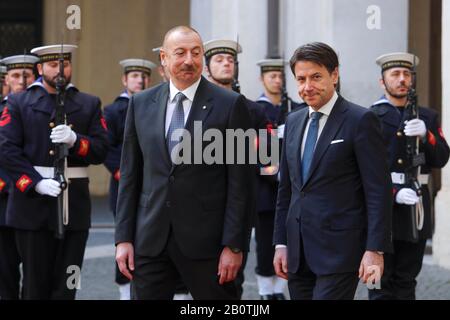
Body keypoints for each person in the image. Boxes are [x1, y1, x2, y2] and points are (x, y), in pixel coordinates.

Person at [115, 26, 254, 300]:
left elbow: (242, 183)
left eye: (196, 52)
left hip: (209, 244)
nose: (189, 60)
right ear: (164, 59)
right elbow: (131, 175)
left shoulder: (231, 105)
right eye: (180, 53)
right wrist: (123, 238)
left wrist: (234, 246)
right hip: (150, 239)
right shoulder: (141, 103)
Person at [273, 42, 393, 300]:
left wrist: (375, 249)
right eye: (301, 79)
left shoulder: (361, 120)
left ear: (334, 75)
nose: (307, 87)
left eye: (316, 77)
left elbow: (378, 191)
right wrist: (281, 243)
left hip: (340, 252)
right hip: (297, 252)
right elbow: (287, 190)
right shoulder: (293, 121)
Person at [0, 44, 108, 300]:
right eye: (52, 65)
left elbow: (102, 149)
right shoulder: (20, 102)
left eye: (65, 64)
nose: (60, 70)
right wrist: (35, 183)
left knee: (68, 283)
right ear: (40, 68)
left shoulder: (88, 103)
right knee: (35, 284)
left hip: (75, 206)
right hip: (32, 206)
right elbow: (6, 148)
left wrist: (76, 141)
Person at [369, 52, 450, 300]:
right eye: (395, 74)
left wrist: (427, 136)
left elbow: (441, 158)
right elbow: (366, 170)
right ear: (382, 82)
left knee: (406, 281)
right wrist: (393, 192)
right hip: (382, 208)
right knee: (379, 281)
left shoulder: (426, 116)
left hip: (416, 205)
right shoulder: (370, 117)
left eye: (406, 74)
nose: (402, 79)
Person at [203, 38, 267, 299]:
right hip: (202, 204)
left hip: (238, 203)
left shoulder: (254, 110)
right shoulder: (197, 107)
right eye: (219, 59)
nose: (227, 64)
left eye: (231, 60)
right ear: (207, 68)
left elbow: (268, 159)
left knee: (230, 283)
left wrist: (255, 150)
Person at [103, 58, 155, 300]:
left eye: (143, 76)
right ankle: (125, 289)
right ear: (125, 80)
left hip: (153, 183)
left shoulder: (155, 106)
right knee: (125, 235)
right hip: (124, 182)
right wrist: (121, 171)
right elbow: (108, 145)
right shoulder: (114, 111)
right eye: (134, 76)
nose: (139, 80)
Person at [254, 58, 305, 300]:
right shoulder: (255, 110)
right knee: (266, 243)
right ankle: (265, 290)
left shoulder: (296, 108)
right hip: (266, 191)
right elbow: (250, 152)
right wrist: (272, 170)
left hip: (293, 189)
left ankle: (280, 290)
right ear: (261, 79)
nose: (277, 80)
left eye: (280, 76)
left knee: (290, 239)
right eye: (272, 76)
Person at [0, 54, 38, 300]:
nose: (22, 81)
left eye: (28, 75)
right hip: (3, 200)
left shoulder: (42, 108)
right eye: (15, 76)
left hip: (34, 199)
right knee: (5, 272)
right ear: (7, 80)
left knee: (36, 272)